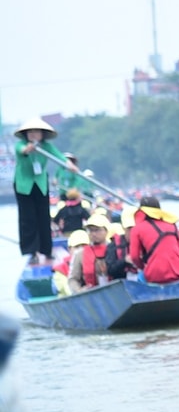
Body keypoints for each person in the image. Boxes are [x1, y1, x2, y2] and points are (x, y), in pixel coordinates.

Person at [12, 118, 62, 264]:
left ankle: (46, 250)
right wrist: (29, 148)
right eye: (30, 132)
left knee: (43, 217)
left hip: (40, 184)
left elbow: (59, 157)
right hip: (23, 185)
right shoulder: (20, 144)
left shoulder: (47, 146)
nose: (33, 134)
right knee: (28, 218)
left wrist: (69, 165)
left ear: (42, 134)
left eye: (37, 132)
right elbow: (22, 151)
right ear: (26, 134)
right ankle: (31, 252)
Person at [126, 196, 179, 285]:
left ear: (141, 210)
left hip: (155, 275)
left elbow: (134, 257)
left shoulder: (137, 229)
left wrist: (143, 267)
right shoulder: (172, 225)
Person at [69, 212, 126, 291]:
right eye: (90, 231)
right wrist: (79, 290)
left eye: (97, 230)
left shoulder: (115, 250)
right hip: (91, 295)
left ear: (106, 231)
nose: (93, 234)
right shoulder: (80, 254)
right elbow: (73, 279)